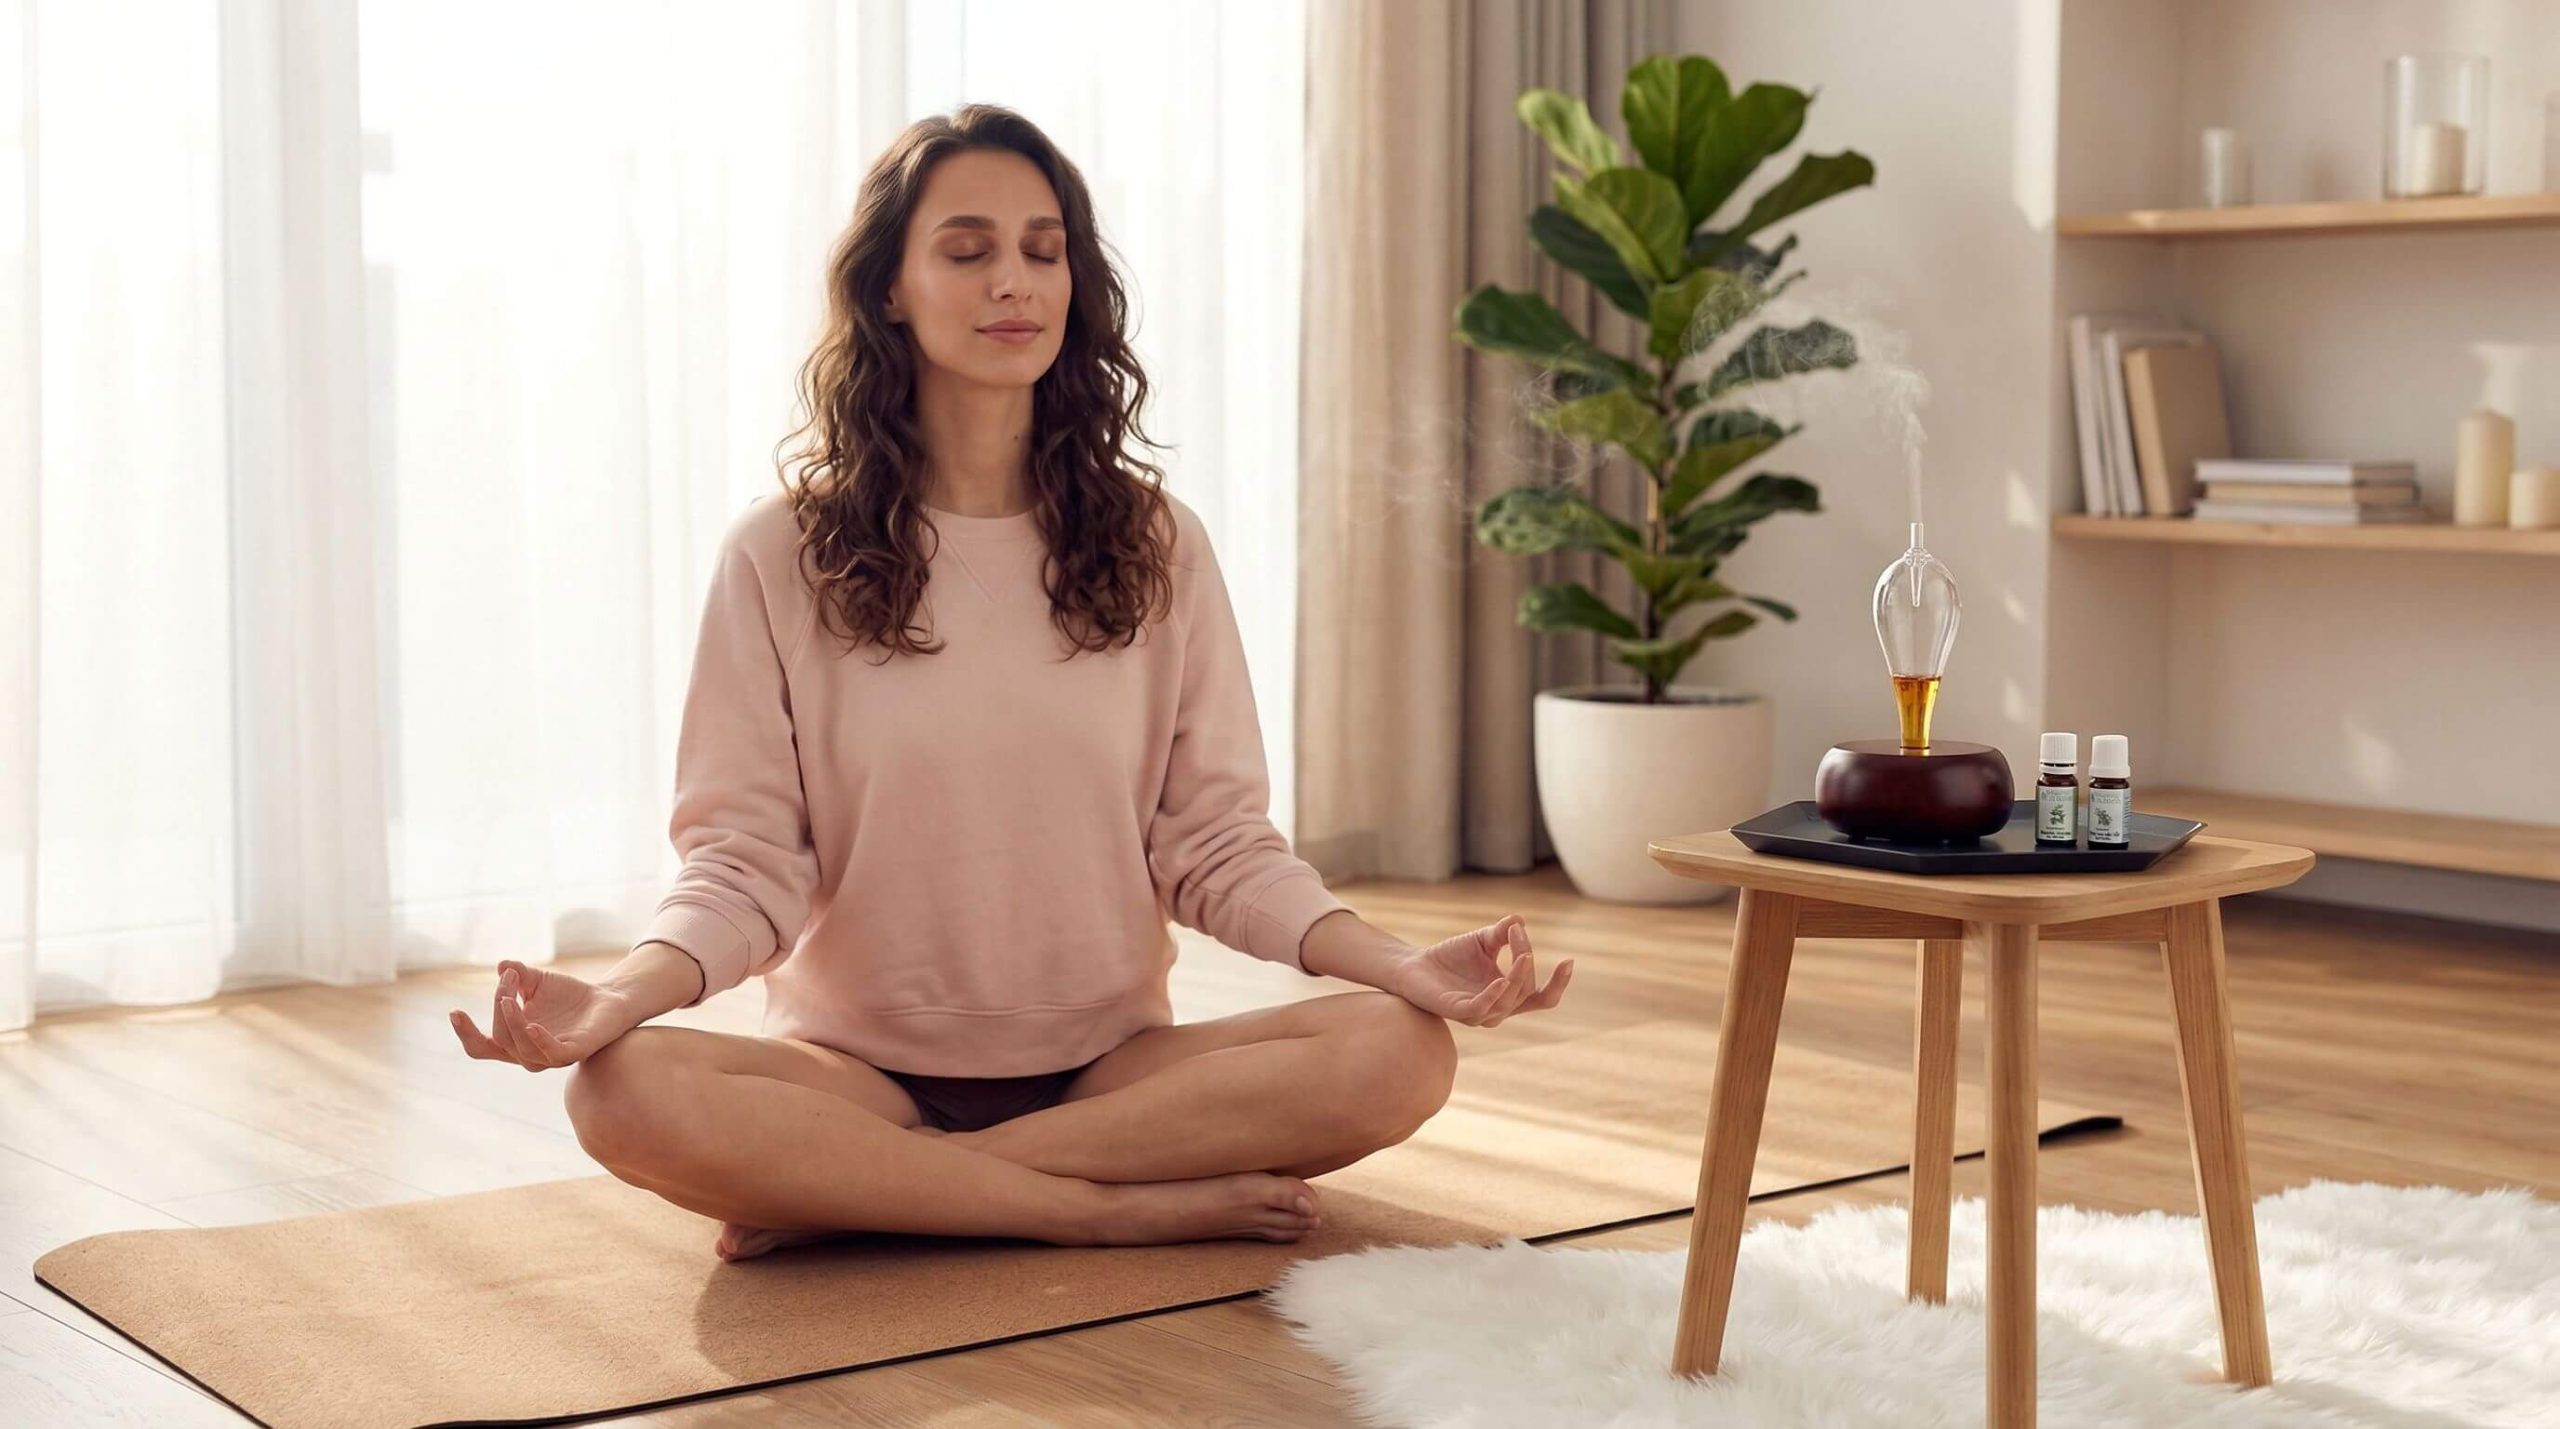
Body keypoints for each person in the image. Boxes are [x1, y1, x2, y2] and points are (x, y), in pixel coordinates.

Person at [449, 104, 1571, 1263]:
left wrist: (1395, 963)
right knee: (620, 1090)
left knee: (1400, 1052)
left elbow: (1217, 844)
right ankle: (1094, 1208)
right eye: (968, 248)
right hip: (853, 1074)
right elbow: (743, 864)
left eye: (1045, 250)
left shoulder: (1156, 542)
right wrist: (619, 1000)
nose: (1015, 282)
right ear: (890, 288)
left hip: (1113, 1072)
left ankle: (868, 1197)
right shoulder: (776, 553)